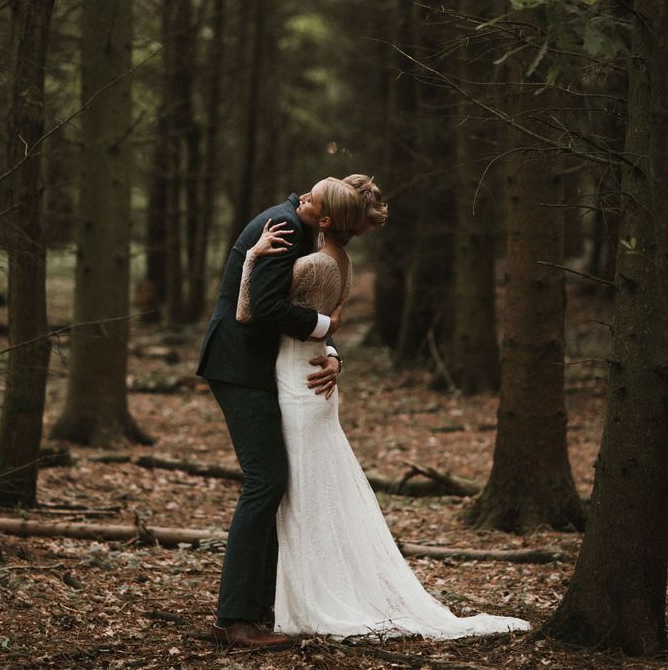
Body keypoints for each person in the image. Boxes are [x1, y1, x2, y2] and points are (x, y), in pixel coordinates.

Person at [237, 177, 531, 640]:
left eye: (312, 199)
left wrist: (252, 257)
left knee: (302, 496)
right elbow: (321, 322)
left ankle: (310, 596)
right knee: (312, 490)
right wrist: (331, 346)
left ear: (329, 219)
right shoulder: (342, 262)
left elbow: (253, 308)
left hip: (298, 385)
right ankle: (290, 593)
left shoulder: (313, 264)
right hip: (309, 379)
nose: (302, 200)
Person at [196, 177, 365, 649]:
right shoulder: (287, 226)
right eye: (308, 193)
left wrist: (332, 351)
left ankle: (262, 606)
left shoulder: (301, 226)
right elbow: (264, 307)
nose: (303, 197)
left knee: (274, 481)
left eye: (314, 196)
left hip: (263, 368)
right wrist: (328, 327)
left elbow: (296, 305)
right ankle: (235, 620)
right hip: (239, 365)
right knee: (265, 479)